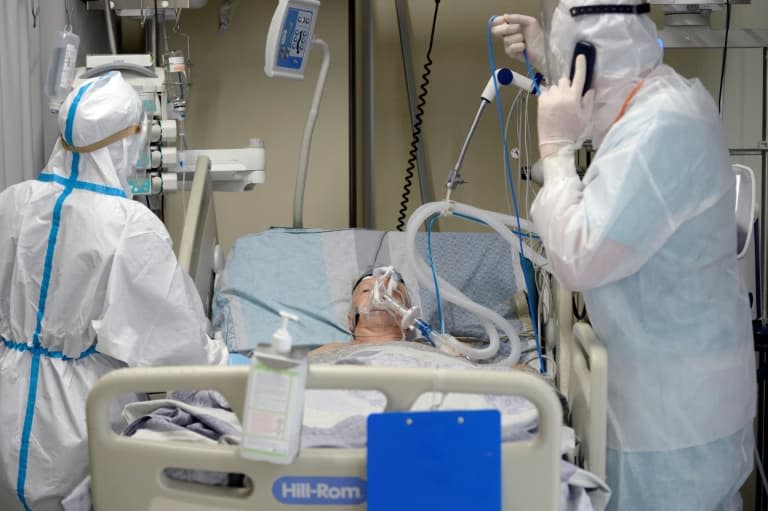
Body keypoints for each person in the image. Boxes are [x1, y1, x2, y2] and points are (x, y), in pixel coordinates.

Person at [494, 2, 755, 509]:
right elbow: (610, 95)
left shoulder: (662, 129)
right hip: (675, 396)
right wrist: (552, 57)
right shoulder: (660, 97)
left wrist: (557, 152)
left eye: (575, 69)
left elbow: (579, 257)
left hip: (673, 420)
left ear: (588, 66)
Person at [0, 72, 228, 511]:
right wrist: (227, 362)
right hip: (77, 424)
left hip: (8, 400)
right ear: (127, 141)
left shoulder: (13, 202)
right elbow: (174, 349)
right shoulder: (129, 226)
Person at [310, 269, 412, 355]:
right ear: (351, 319)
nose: (379, 295)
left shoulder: (422, 348)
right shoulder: (329, 352)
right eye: (366, 290)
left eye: (391, 291)